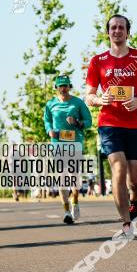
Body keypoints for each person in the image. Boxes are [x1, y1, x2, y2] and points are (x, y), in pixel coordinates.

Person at [85, 14, 137, 238]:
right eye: (113, 28)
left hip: (136, 125)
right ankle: (126, 224)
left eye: (121, 27)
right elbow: (89, 96)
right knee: (118, 168)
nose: (117, 31)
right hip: (109, 123)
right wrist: (101, 100)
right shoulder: (98, 61)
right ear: (107, 32)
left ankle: (134, 200)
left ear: (128, 32)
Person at [44, 75, 94, 224]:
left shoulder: (78, 103)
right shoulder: (50, 104)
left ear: (69, 86)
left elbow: (89, 121)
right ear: (56, 88)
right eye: (61, 86)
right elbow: (46, 120)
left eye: (66, 85)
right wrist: (49, 131)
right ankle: (66, 211)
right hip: (57, 144)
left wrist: (77, 122)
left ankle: (75, 202)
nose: (63, 88)